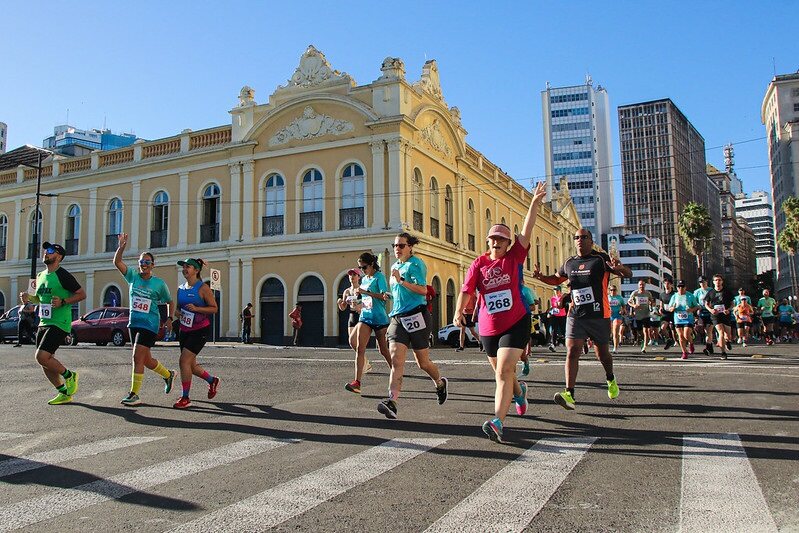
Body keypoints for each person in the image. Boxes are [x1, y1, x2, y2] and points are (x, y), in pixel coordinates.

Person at [456, 181, 546, 442]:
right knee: (502, 373)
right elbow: (467, 289)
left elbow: (527, 229)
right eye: (493, 238)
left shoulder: (515, 257)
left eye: (501, 239)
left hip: (516, 320)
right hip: (487, 326)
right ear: (487, 241)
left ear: (508, 244)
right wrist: (458, 311)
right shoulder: (479, 263)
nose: (496, 242)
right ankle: (519, 393)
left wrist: (534, 203)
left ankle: (497, 421)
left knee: (504, 371)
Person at [534, 228, 632, 411]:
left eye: (583, 237)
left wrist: (621, 268)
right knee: (572, 351)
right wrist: (541, 277)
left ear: (591, 240)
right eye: (576, 237)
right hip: (576, 314)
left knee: (602, 354)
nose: (579, 240)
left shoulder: (600, 259)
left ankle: (610, 378)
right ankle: (569, 393)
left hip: (598, 314)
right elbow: (556, 279)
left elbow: (627, 274)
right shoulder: (570, 263)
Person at [377, 233, 447, 419]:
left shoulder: (416, 264)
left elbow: (423, 290)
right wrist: (389, 296)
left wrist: (401, 280)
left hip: (417, 315)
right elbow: (399, 293)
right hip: (398, 318)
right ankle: (392, 401)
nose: (397, 249)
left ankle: (439, 383)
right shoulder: (394, 266)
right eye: (395, 245)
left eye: (401, 245)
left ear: (410, 247)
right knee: (396, 359)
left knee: (422, 363)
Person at [113, 233, 175, 406]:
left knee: (136, 357)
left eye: (147, 262)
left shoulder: (159, 284)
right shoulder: (132, 277)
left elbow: (169, 301)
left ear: (152, 265)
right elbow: (117, 263)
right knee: (145, 360)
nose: (144, 265)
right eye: (142, 262)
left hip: (150, 324)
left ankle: (134, 394)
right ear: (139, 265)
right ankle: (168, 375)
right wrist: (121, 248)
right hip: (134, 323)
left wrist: (169, 318)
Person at [21, 242, 86, 405]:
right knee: (45, 362)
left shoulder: (63, 275)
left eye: (50, 251)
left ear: (59, 257)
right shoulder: (41, 276)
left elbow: (81, 294)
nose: (46, 253)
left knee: (41, 356)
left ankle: (70, 376)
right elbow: (38, 299)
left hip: (60, 322)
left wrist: (64, 301)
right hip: (43, 321)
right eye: (45, 250)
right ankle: (63, 392)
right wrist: (28, 299)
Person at [172, 258, 219, 409]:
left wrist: (197, 309)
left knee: (183, 361)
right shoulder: (181, 289)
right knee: (190, 365)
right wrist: (178, 313)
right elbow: (178, 309)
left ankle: (185, 398)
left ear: (196, 270)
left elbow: (214, 308)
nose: (185, 269)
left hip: (200, 330)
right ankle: (212, 380)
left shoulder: (203, 288)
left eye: (188, 267)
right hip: (184, 329)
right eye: (183, 267)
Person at [345, 252, 392, 394]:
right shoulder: (364, 279)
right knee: (359, 348)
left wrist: (368, 292)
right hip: (365, 317)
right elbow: (366, 301)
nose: (363, 270)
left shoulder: (379, 277)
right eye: (360, 268)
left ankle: (396, 372)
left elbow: (385, 297)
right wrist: (357, 303)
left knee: (383, 350)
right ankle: (357, 382)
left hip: (380, 318)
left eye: (364, 267)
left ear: (371, 264)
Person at [666, 280, 701, 359]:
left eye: (682, 287)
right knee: (680, 336)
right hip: (678, 318)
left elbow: (697, 306)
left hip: (688, 318)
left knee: (686, 334)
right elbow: (669, 308)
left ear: (685, 287)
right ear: (677, 288)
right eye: (679, 287)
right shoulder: (674, 296)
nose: (680, 288)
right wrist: (673, 308)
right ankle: (684, 352)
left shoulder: (690, 295)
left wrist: (691, 310)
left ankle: (691, 343)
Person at [703, 273, 733, 359]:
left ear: (722, 281)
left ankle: (728, 341)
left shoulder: (727, 291)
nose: (718, 282)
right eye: (716, 280)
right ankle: (723, 352)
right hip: (715, 315)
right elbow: (706, 304)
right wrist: (711, 310)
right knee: (721, 333)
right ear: (713, 282)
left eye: (719, 280)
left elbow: (732, 304)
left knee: (728, 335)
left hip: (725, 314)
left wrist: (729, 310)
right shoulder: (711, 292)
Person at [628, 280, 654, 353]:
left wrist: (651, 305)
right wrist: (634, 305)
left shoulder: (648, 293)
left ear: (645, 285)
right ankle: (642, 340)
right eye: (640, 285)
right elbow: (629, 302)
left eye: (643, 285)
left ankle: (644, 347)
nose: (641, 286)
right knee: (640, 331)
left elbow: (651, 301)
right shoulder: (635, 293)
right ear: (638, 285)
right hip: (638, 315)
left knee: (646, 330)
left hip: (646, 314)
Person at [694, 277, 714, 353]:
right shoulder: (697, 292)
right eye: (700, 282)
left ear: (707, 282)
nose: (702, 283)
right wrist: (697, 308)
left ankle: (708, 347)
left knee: (709, 330)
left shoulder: (711, 291)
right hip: (701, 312)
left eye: (703, 281)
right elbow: (694, 302)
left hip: (710, 312)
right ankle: (710, 344)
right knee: (703, 330)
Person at [659, 279, 677, 350]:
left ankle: (683, 341)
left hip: (674, 313)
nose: (666, 285)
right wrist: (660, 308)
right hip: (666, 313)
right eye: (665, 284)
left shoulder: (675, 294)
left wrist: (673, 307)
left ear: (671, 285)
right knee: (663, 328)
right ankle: (669, 340)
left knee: (676, 329)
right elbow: (661, 304)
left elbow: (678, 302)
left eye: (668, 284)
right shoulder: (662, 294)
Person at [547, 287, 567, 351]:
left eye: (557, 290)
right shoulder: (553, 298)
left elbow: (560, 306)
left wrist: (561, 298)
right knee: (553, 330)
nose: (556, 292)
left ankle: (569, 345)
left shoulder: (563, 297)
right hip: (555, 316)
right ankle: (553, 345)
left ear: (560, 291)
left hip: (562, 316)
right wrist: (549, 312)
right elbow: (553, 306)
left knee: (564, 331)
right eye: (555, 290)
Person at [608, 285, 626, 354]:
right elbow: (604, 306)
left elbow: (623, 306)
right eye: (611, 290)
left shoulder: (619, 297)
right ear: (609, 291)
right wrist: (608, 310)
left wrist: (622, 310)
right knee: (609, 333)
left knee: (615, 332)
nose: (613, 291)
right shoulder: (607, 297)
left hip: (617, 316)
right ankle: (607, 347)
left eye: (614, 290)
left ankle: (615, 348)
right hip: (609, 316)